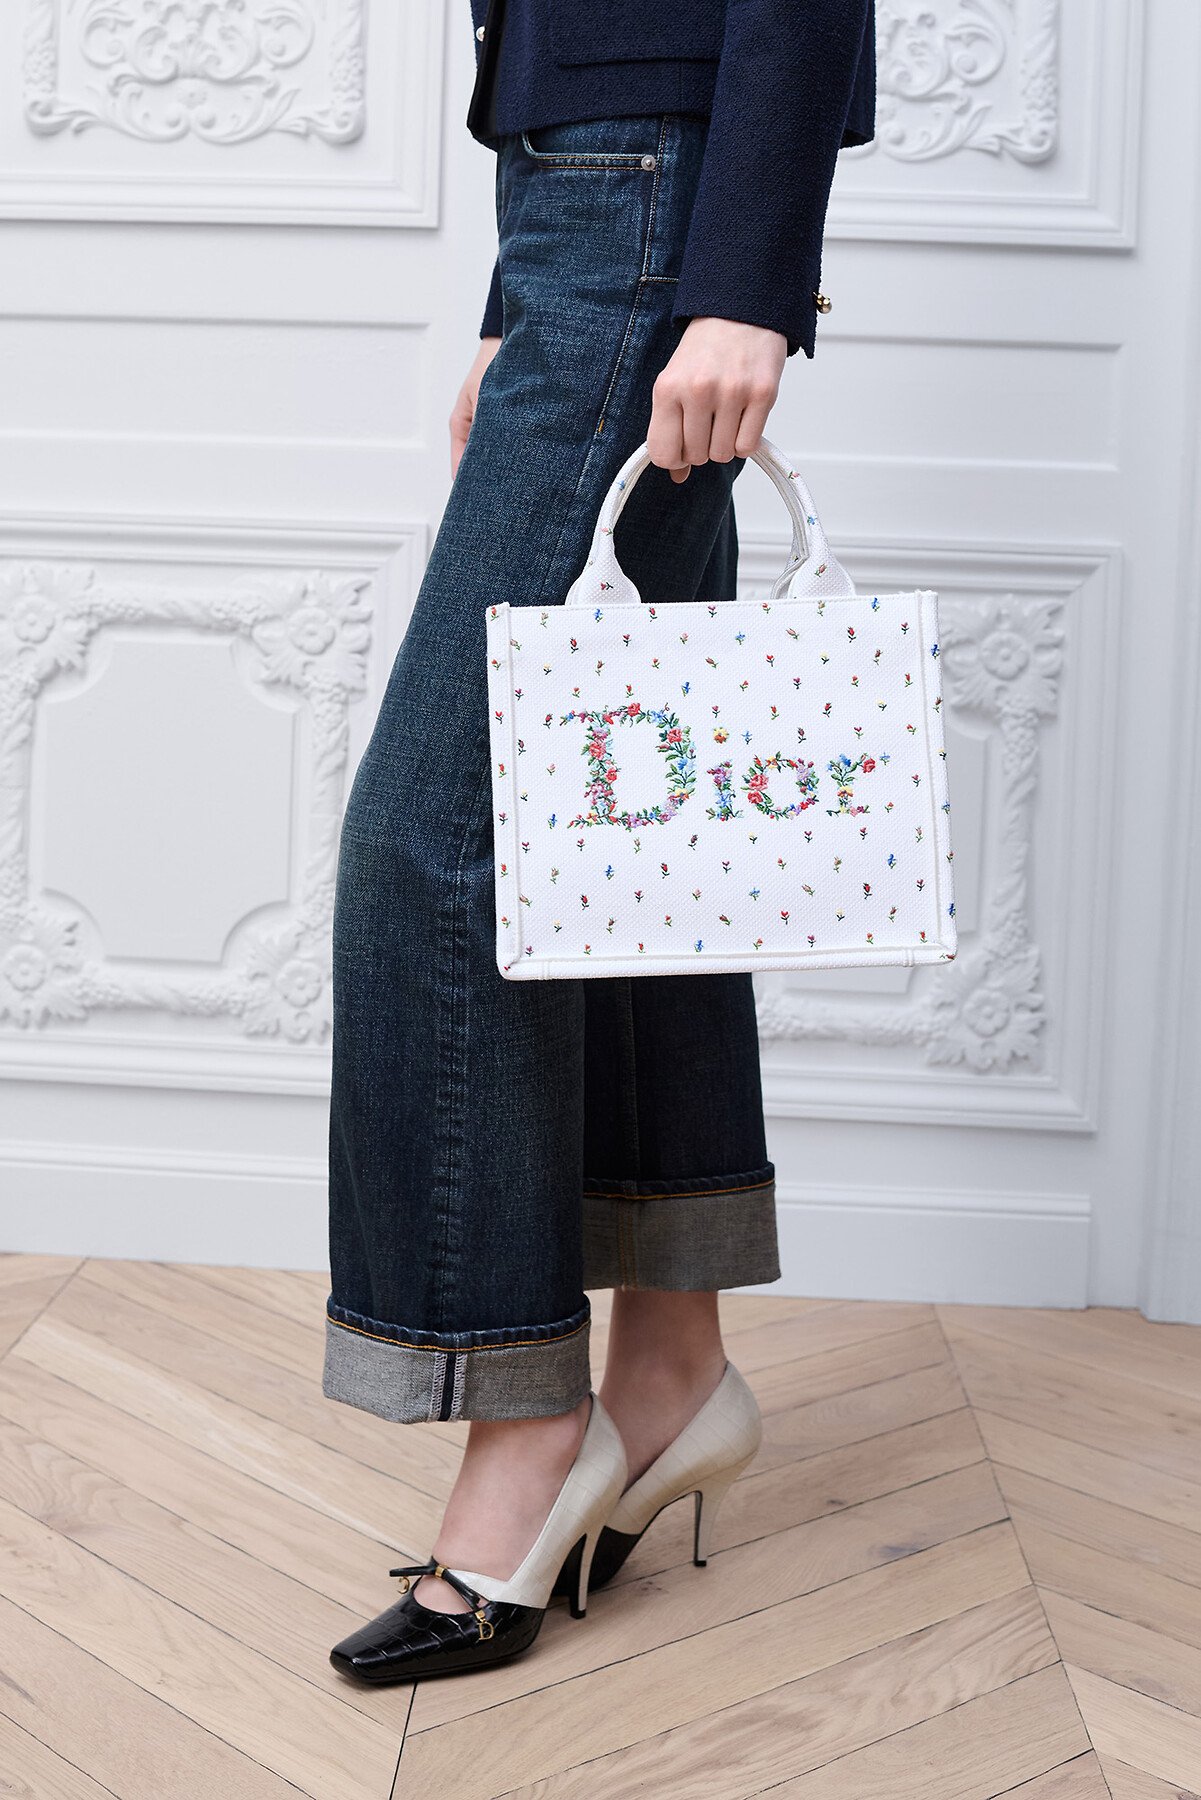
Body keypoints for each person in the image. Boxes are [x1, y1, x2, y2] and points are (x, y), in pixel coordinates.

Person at [324, 0, 876, 1682]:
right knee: (621, 834)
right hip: (586, 207)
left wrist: (742, 284)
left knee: (437, 848)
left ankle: (524, 1421)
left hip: (648, 214)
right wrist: (518, 298)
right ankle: (669, 1368)